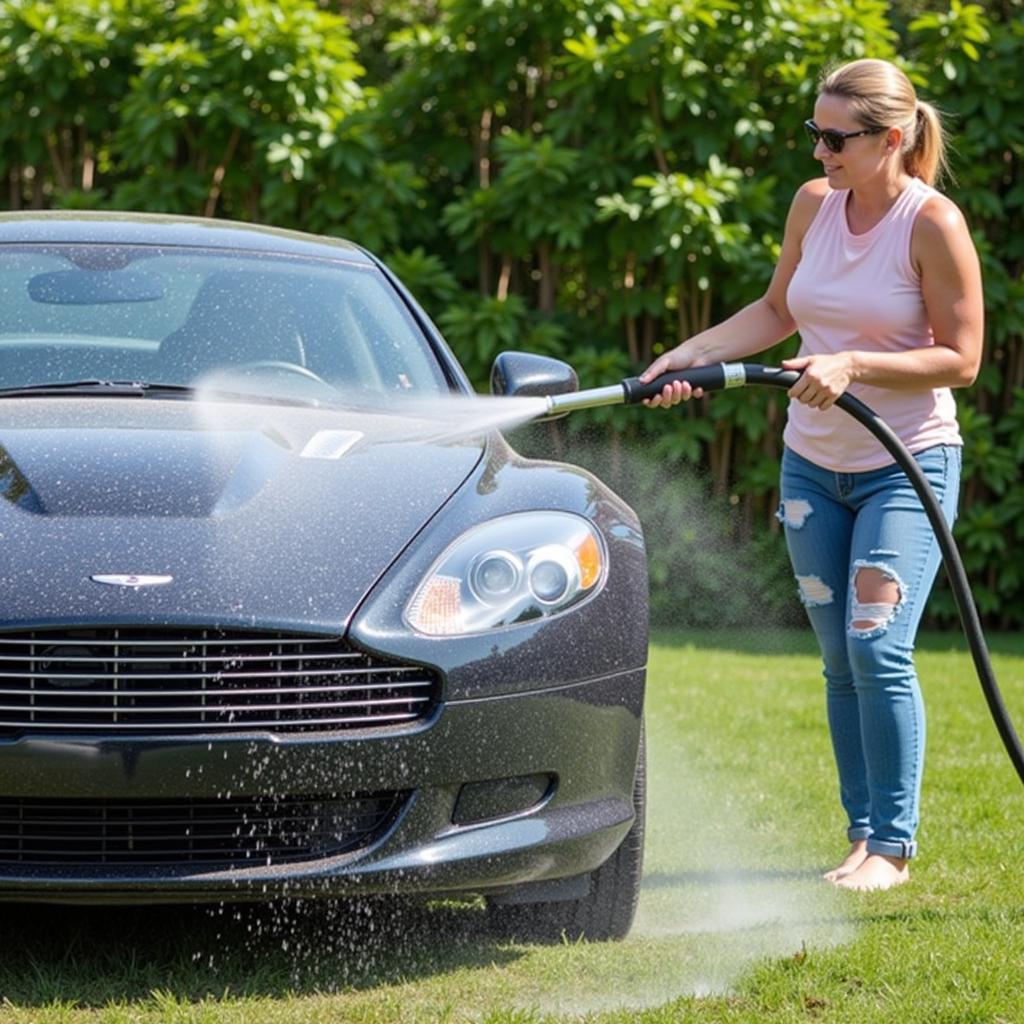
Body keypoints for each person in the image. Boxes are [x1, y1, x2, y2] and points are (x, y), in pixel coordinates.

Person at [639, 57, 984, 891]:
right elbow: (776, 311)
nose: (821, 150)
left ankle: (894, 848)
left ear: (890, 139)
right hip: (812, 465)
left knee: (877, 644)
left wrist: (855, 363)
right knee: (838, 657)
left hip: (905, 463)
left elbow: (963, 359)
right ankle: (862, 836)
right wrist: (691, 353)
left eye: (837, 137)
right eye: (815, 134)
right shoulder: (814, 204)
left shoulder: (931, 223)